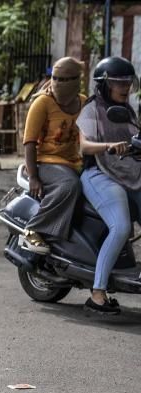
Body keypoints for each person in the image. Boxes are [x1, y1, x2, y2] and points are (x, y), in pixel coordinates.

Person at [76, 56, 141, 315]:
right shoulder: (92, 110)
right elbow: (85, 145)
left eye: (127, 81)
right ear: (104, 84)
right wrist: (109, 146)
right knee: (122, 226)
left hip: (129, 172)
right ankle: (98, 293)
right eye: (117, 82)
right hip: (99, 173)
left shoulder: (129, 108)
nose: (124, 87)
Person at [19, 57, 86, 254]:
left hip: (73, 162)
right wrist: (33, 177)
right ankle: (34, 229)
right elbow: (29, 142)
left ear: (76, 80)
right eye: (55, 78)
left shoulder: (83, 102)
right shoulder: (43, 103)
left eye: (63, 79)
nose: (57, 83)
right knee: (69, 185)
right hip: (45, 162)